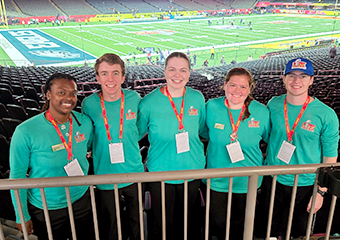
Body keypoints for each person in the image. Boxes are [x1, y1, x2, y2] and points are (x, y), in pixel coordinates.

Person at [9, 73, 94, 240]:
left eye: (73, 93)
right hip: (47, 208)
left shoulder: (84, 122)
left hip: (81, 199)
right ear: (48, 94)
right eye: (61, 92)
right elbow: (17, 177)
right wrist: (22, 216)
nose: (69, 98)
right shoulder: (25, 131)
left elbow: (88, 147)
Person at [264, 58, 339, 238]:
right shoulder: (273, 104)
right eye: (291, 75)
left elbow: (330, 157)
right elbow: (267, 137)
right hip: (273, 180)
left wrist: (320, 191)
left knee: (298, 233)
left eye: (303, 76)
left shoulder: (326, 114)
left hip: (305, 185)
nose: (296, 81)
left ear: (312, 80)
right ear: (284, 78)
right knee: (269, 230)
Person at [137, 52, 207, 240]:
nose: (178, 75)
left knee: (188, 223)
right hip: (160, 173)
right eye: (172, 69)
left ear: (190, 72)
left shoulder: (197, 98)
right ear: (165, 71)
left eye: (183, 70)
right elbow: (135, 134)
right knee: (162, 225)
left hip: (192, 171)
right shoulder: (148, 102)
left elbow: (202, 130)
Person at [81, 53, 144, 240]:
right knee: (110, 223)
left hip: (134, 171)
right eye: (105, 73)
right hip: (105, 174)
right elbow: (89, 137)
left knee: (137, 222)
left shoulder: (134, 98)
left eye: (116, 73)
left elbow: (138, 130)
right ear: (97, 77)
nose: (111, 79)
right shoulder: (89, 104)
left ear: (123, 77)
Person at [205, 68, 270, 240]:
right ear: (224, 85)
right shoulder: (211, 106)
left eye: (243, 86)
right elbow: (204, 133)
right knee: (218, 224)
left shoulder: (261, 111)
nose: (237, 90)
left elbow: (269, 138)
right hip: (216, 180)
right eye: (233, 85)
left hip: (247, 181)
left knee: (240, 226)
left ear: (250, 88)